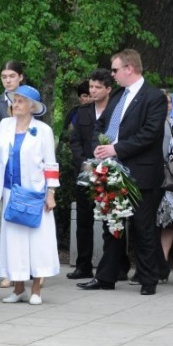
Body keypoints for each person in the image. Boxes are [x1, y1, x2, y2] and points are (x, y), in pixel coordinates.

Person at [78, 49, 167, 295]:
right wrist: (100, 146)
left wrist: (115, 148)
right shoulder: (119, 95)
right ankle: (107, 276)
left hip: (140, 172)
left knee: (142, 226)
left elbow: (149, 134)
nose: (112, 75)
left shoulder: (153, 97)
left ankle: (149, 278)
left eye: (115, 70)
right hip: (111, 169)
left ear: (129, 68)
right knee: (112, 223)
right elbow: (101, 123)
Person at [0, 86, 60, 304]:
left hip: (34, 192)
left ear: (32, 106)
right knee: (13, 241)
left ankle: (36, 289)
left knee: (37, 240)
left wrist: (51, 193)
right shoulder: (5, 125)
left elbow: (50, 163)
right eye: (14, 100)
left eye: (20, 101)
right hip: (10, 191)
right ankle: (18, 288)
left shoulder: (43, 130)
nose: (15, 104)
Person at [67, 69, 113, 279]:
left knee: (112, 220)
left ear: (108, 89)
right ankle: (83, 265)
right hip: (85, 172)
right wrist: (83, 163)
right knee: (83, 220)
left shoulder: (115, 112)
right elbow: (74, 140)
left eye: (97, 87)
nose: (93, 91)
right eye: (91, 87)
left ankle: (116, 265)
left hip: (110, 172)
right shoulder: (83, 112)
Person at [0, 60, 26, 288]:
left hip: (26, 169)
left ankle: (29, 268)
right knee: (3, 221)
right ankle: (8, 269)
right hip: (3, 168)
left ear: (20, 77)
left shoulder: (30, 99)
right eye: (4, 76)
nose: (8, 80)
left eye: (12, 76)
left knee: (25, 219)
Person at [156, 90, 173, 283]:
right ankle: (153, 261)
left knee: (169, 220)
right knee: (151, 220)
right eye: (163, 102)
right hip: (151, 175)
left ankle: (163, 261)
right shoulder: (148, 123)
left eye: (169, 102)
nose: (167, 105)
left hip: (172, 177)